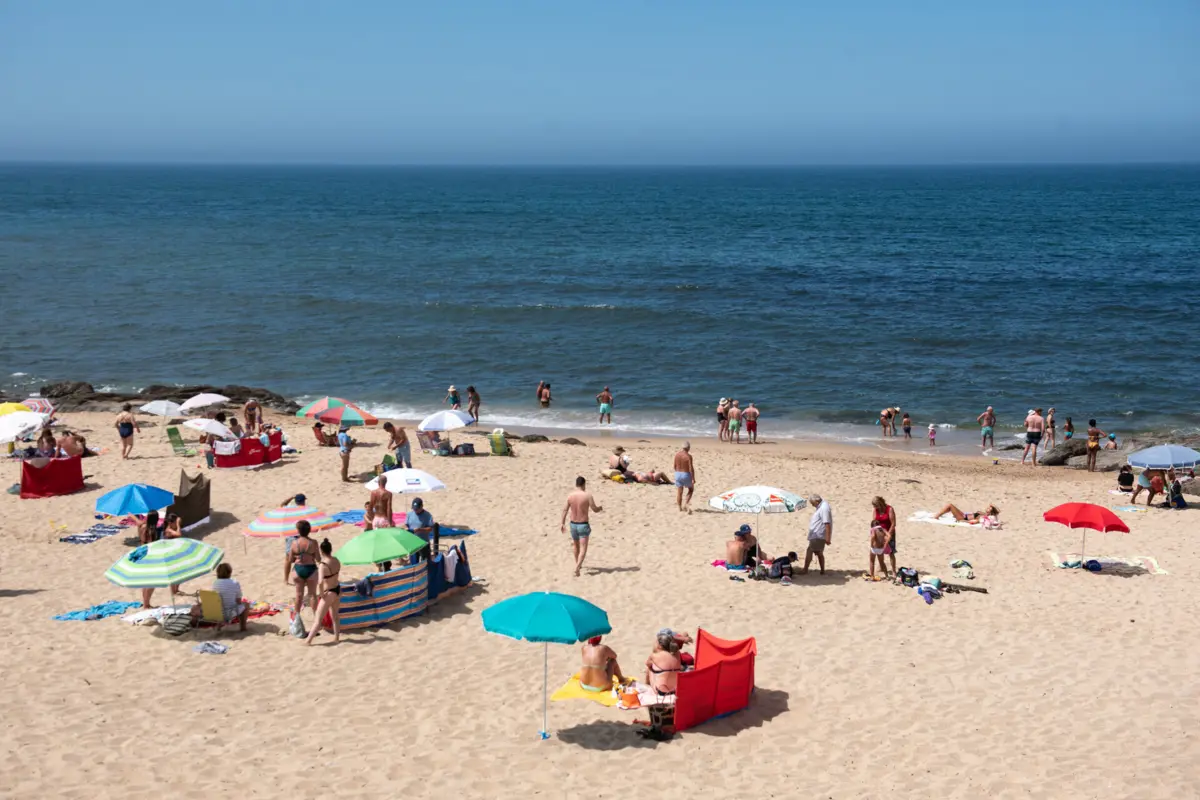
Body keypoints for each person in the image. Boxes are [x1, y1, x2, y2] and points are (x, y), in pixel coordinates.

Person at [561, 476, 602, 577]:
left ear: (576, 484)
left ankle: (577, 564)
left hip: (573, 524)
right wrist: (600, 508)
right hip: (583, 525)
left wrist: (562, 523)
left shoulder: (570, 496)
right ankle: (577, 567)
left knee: (576, 546)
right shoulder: (587, 495)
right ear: (584, 484)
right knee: (583, 548)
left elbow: (565, 510)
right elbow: (594, 509)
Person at [191, 562, 249, 631]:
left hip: (217, 613)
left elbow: (215, 598)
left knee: (219, 603)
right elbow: (238, 601)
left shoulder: (216, 583)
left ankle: (219, 626)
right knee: (246, 605)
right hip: (229, 614)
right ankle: (243, 627)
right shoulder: (235, 583)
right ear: (229, 572)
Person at [306, 538, 342, 646]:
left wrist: (321, 594)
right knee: (335, 616)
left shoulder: (323, 565)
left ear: (321, 551)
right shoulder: (336, 560)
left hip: (329, 592)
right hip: (337, 589)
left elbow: (320, 582)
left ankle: (308, 641)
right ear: (331, 549)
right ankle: (336, 638)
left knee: (318, 619)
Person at [286, 519, 319, 620]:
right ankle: (317, 619)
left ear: (298, 531)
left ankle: (297, 619)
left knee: (299, 595)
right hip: (311, 569)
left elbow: (290, 560)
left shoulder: (294, 543)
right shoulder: (313, 542)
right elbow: (318, 558)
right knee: (313, 595)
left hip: (298, 570)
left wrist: (298, 556)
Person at [801, 494, 833, 575]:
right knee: (819, 552)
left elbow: (827, 523)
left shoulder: (824, 508)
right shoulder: (822, 506)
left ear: (817, 501)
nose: (812, 505)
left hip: (818, 534)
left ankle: (805, 569)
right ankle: (822, 570)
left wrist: (828, 538)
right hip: (817, 534)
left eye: (813, 503)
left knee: (810, 550)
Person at [871, 496, 897, 576]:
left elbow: (893, 524)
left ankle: (894, 571)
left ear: (880, 503)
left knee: (891, 552)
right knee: (880, 551)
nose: (875, 507)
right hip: (879, 534)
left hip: (889, 532)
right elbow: (874, 522)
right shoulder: (876, 510)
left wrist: (888, 535)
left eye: (876, 505)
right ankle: (882, 567)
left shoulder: (889, 509)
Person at [673, 442, 695, 512]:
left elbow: (674, 466)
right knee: (691, 489)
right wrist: (693, 478)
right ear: (688, 448)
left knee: (679, 492)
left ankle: (679, 508)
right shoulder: (688, 456)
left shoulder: (677, 455)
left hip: (677, 474)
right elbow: (691, 468)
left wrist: (677, 473)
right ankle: (686, 505)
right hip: (686, 474)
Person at [934, 503, 1001, 524]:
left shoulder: (983, 517)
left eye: (989, 508)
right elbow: (997, 511)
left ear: (990, 512)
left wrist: (962, 521)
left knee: (950, 505)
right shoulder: (984, 514)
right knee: (950, 507)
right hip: (964, 515)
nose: (987, 508)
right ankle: (939, 515)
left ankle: (937, 516)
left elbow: (974, 521)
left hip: (962, 518)